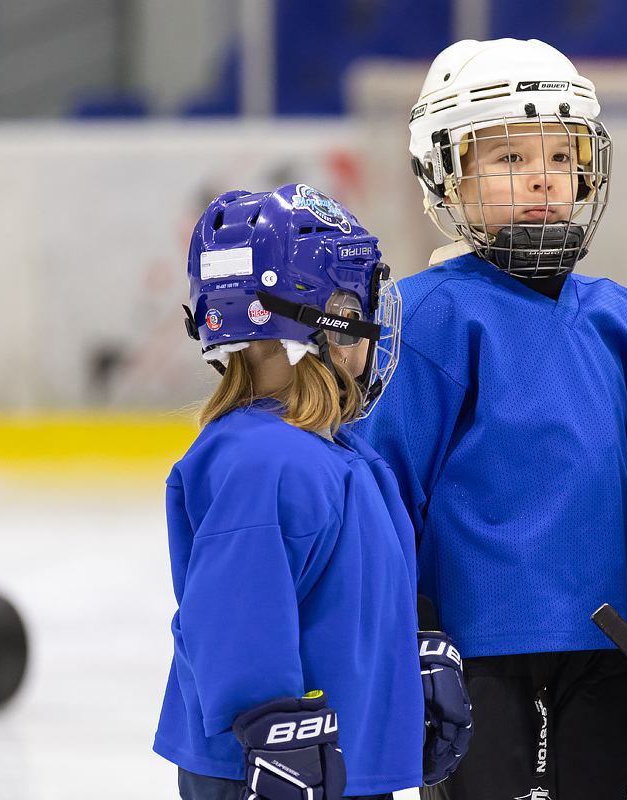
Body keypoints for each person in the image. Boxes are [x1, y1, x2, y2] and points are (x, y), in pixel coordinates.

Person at [354, 39, 627, 800]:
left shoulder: (615, 318)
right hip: (475, 656)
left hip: (604, 650)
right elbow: (384, 489)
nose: (541, 176)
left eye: (561, 158)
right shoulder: (428, 316)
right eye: (506, 158)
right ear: (446, 175)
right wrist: (416, 629)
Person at [154, 184, 471, 800]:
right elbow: (236, 613)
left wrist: (406, 660)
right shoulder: (264, 462)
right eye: (354, 305)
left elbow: (343, 598)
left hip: (336, 761)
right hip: (269, 770)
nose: (370, 329)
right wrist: (272, 729)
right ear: (299, 332)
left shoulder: (337, 452)